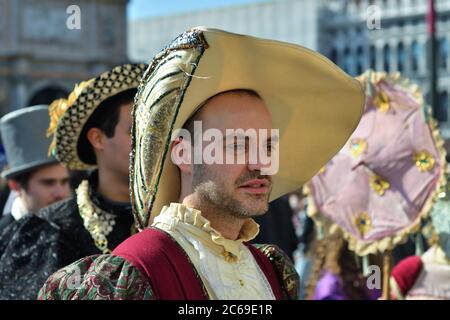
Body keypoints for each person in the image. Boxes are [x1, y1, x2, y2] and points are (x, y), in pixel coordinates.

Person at [38, 27, 364, 300]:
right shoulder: (138, 269)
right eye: (238, 144)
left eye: (268, 145)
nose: (261, 162)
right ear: (183, 152)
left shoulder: (273, 269)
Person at [0, 64, 146, 299]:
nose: (148, 139)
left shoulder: (182, 216)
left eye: (153, 127)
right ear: (98, 139)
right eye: (134, 130)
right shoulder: (49, 232)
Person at [0, 105, 70, 235]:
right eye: (48, 183)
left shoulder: (80, 231)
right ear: (15, 185)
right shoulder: (3, 238)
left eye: (64, 182)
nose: (60, 193)